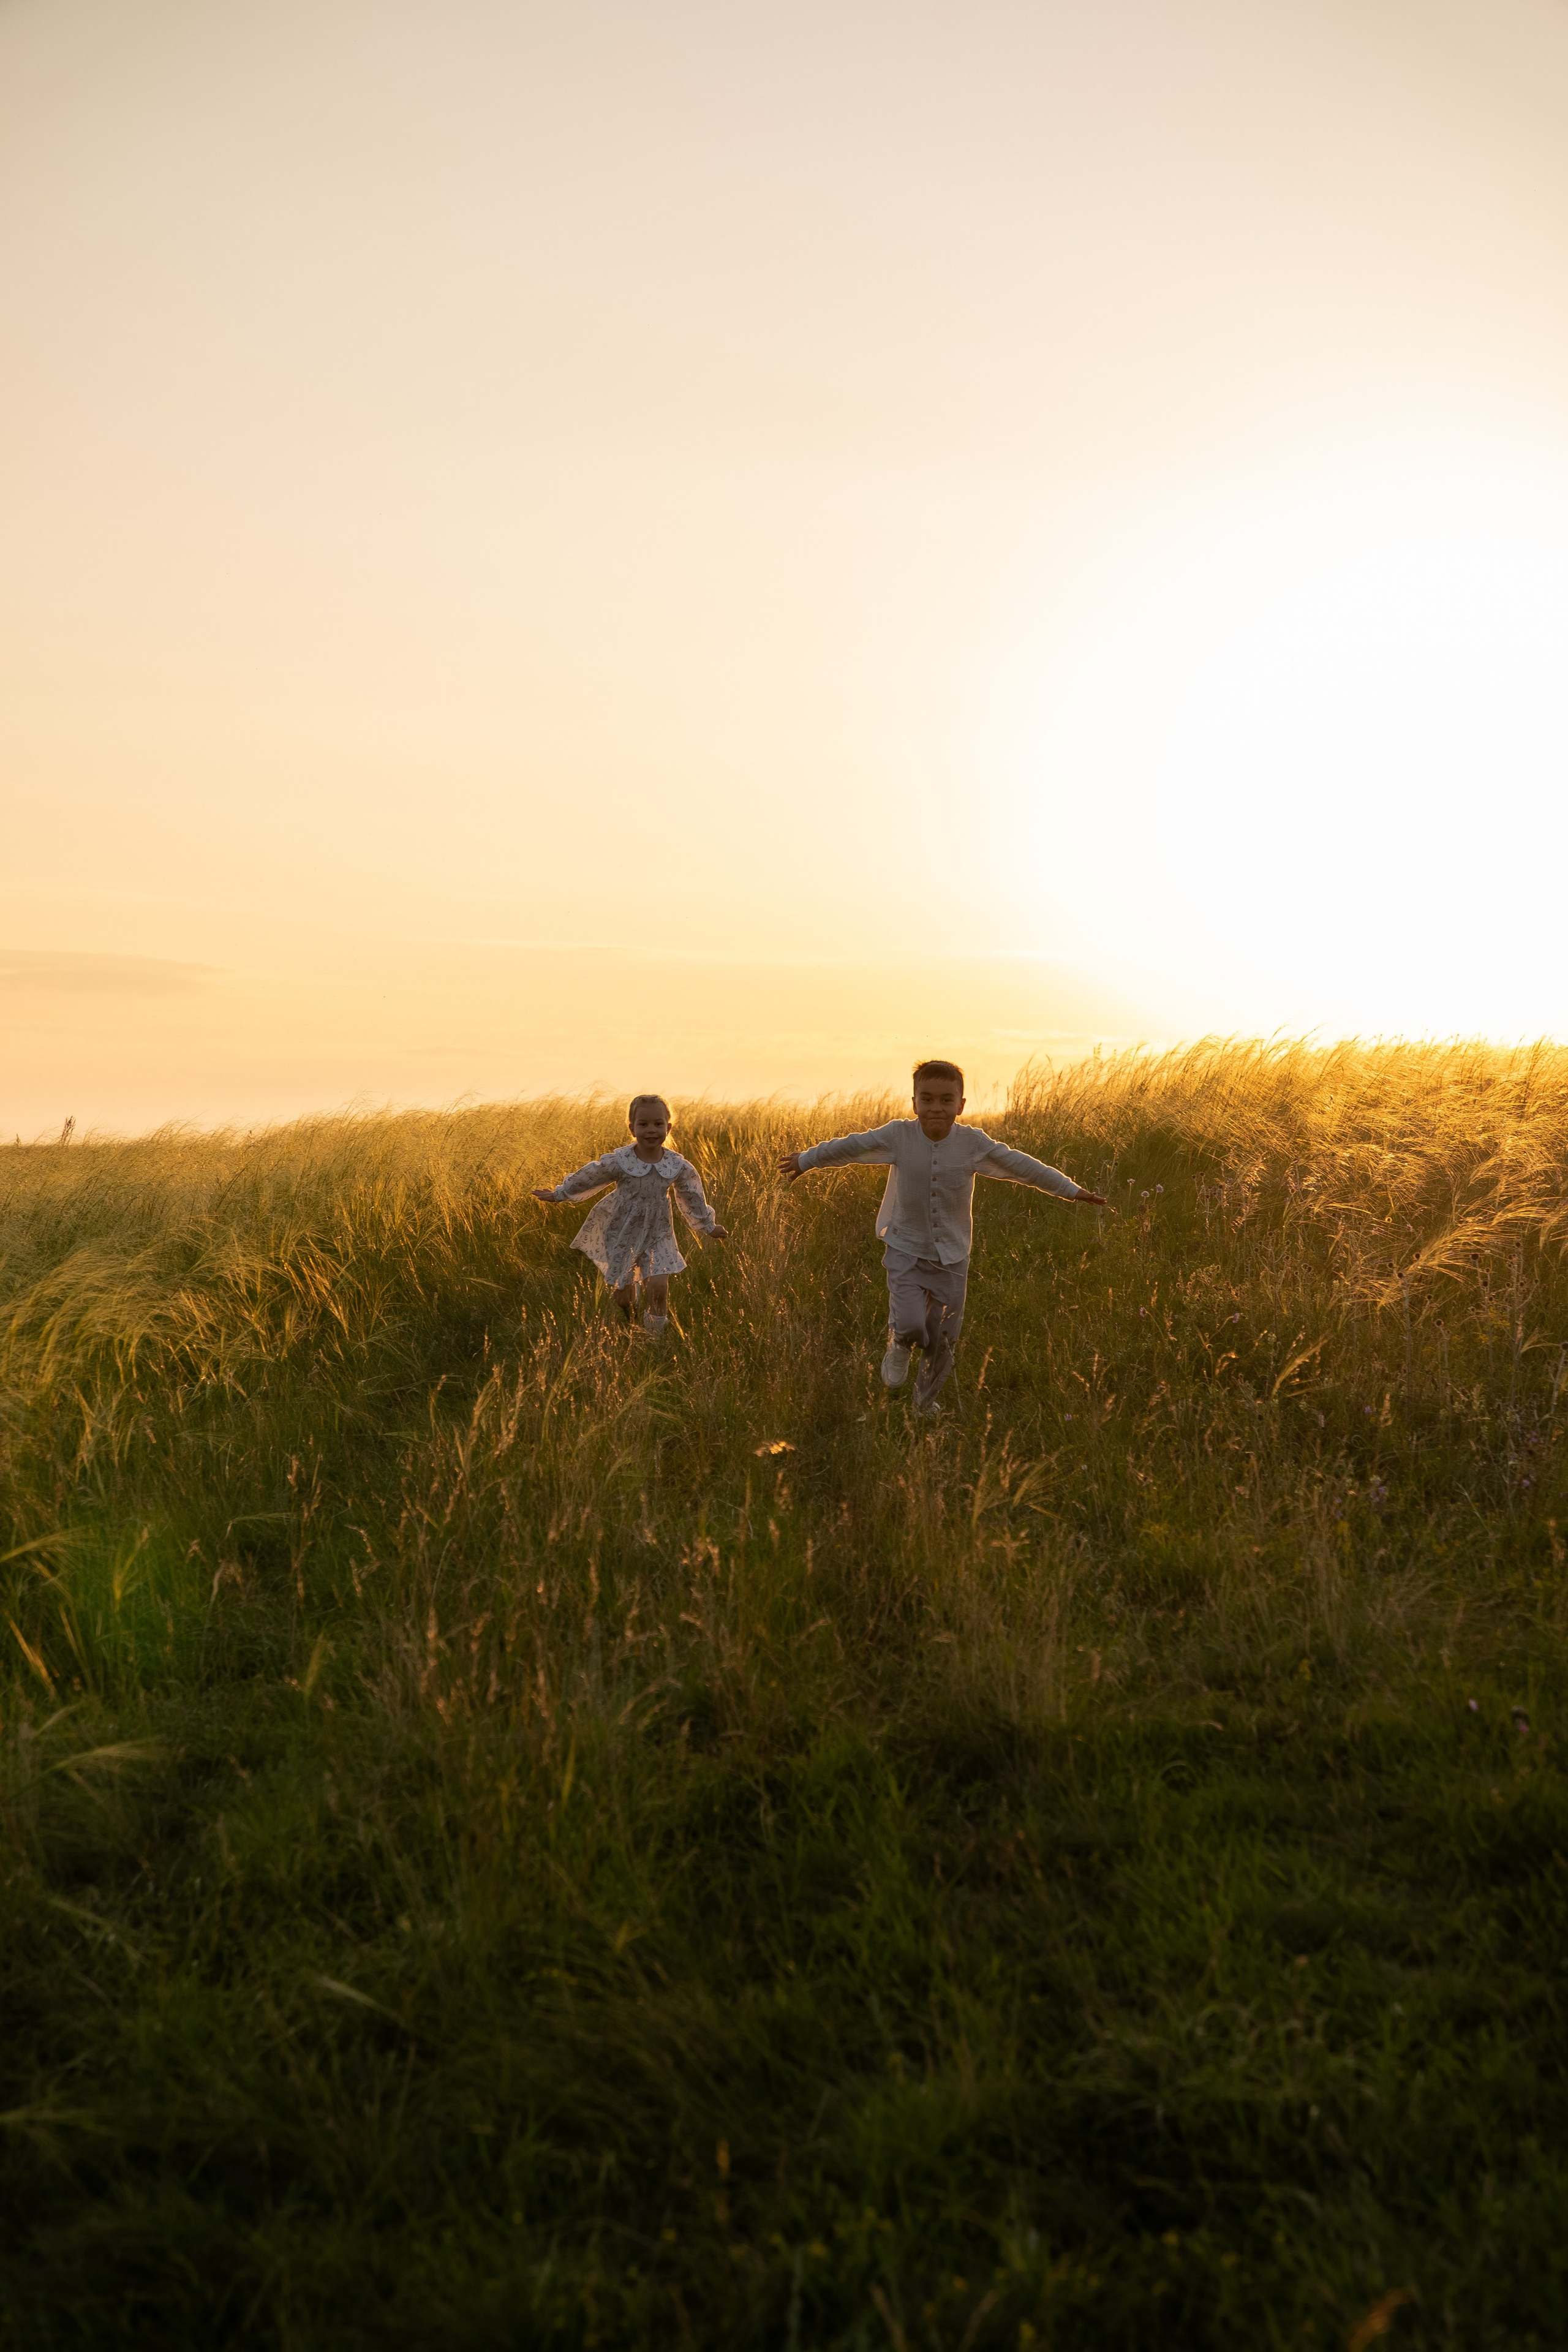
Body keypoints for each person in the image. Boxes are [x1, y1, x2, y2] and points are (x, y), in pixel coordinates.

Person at [778, 1058, 1106, 1414]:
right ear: (915, 1101)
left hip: (952, 1257)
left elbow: (1021, 1166)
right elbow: (852, 1146)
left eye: (947, 1100)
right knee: (911, 1324)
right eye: (928, 1099)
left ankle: (924, 1404)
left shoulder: (973, 1144)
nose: (937, 1108)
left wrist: (1071, 1190)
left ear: (961, 1106)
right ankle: (900, 1343)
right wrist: (808, 1160)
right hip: (905, 1246)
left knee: (943, 1339)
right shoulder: (898, 1136)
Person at [532, 1095, 727, 1332]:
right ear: (632, 1129)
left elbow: (693, 1196)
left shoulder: (677, 1165)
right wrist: (560, 1194)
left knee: (658, 1288)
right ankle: (632, 1321)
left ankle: (655, 1341)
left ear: (669, 1127)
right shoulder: (621, 1162)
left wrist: (709, 1226)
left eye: (658, 1124)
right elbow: (591, 1176)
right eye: (643, 1125)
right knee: (624, 1297)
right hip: (622, 1231)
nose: (651, 1130)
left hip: (659, 1232)